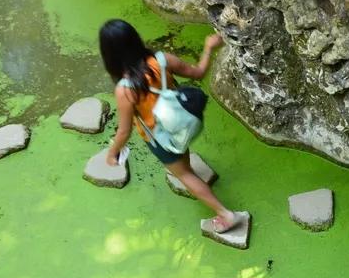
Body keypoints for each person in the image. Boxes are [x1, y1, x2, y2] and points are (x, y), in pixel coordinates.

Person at [99, 19, 242, 232]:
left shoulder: (125, 89)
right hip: (184, 121)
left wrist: (112, 153)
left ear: (110, 55)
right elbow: (198, 73)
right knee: (182, 155)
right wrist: (208, 48)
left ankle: (225, 214)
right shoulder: (162, 60)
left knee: (183, 175)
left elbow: (124, 131)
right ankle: (187, 167)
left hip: (161, 137)